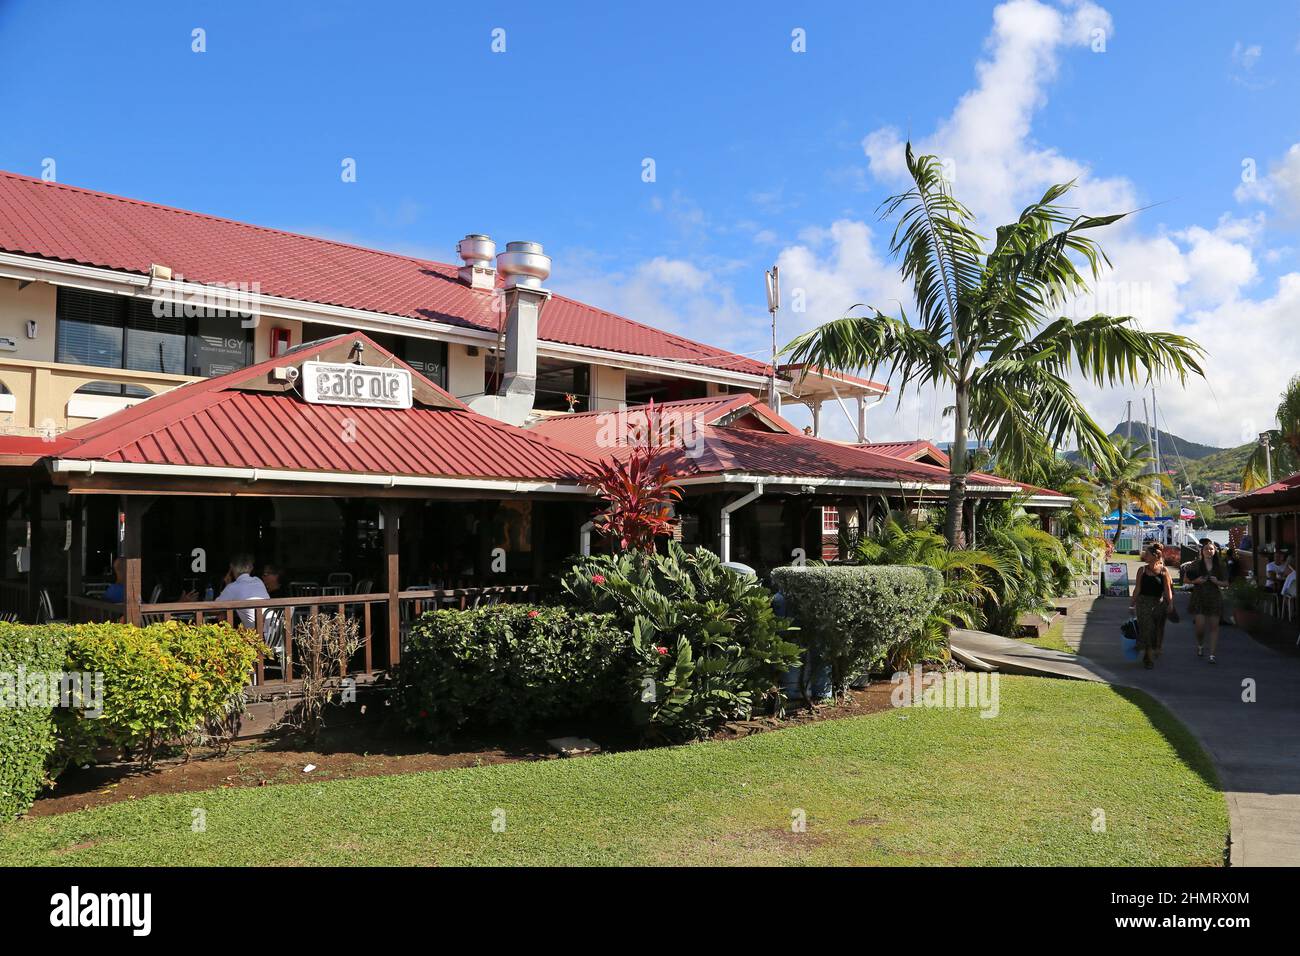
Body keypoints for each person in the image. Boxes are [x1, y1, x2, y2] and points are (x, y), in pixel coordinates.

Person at [1130, 541, 1173, 670]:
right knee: (1147, 628)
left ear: (1155, 556)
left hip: (1158, 603)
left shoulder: (1164, 571)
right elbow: (1137, 588)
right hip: (1143, 603)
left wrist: (1170, 603)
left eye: (1147, 554)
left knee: (1155, 630)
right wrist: (1132, 603)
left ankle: (1147, 651)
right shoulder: (1142, 570)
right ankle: (1148, 658)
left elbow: (1167, 590)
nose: (1145, 557)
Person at [1182, 539, 1226, 663]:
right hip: (1199, 596)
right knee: (1200, 627)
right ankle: (1200, 644)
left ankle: (1212, 655)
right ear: (1202, 551)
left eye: (1211, 549)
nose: (1209, 551)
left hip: (1214, 597)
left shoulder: (1220, 565)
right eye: (1206, 549)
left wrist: (1217, 582)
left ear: (1215, 551)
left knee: (1214, 627)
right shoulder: (1196, 564)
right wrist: (1195, 581)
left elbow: (1227, 583)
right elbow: (1185, 579)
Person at [215, 553, 270, 631]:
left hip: (259, 635)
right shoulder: (258, 580)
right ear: (251, 568)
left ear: (231, 568)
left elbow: (214, 609)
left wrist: (227, 585)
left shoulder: (232, 587)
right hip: (275, 632)